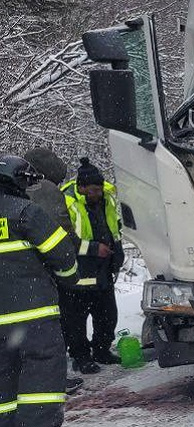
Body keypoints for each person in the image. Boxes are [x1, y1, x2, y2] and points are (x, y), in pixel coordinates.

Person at [0, 154, 81, 427]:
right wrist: (69, 279)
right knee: (43, 365)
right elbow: (63, 255)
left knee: (5, 372)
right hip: (32, 312)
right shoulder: (26, 212)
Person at [21, 148, 83, 395]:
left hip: (17, 275)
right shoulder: (46, 191)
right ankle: (54, 380)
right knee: (52, 330)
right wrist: (71, 266)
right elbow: (61, 235)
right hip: (45, 272)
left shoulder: (14, 192)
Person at [61, 158, 125, 374]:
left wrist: (117, 252)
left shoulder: (106, 199)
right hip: (80, 269)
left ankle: (101, 350)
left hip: (103, 268)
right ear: (81, 188)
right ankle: (81, 357)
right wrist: (93, 249)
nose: (97, 193)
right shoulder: (68, 203)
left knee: (108, 314)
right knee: (77, 318)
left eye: (99, 189)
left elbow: (114, 227)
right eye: (93, 190)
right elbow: (66, 239)